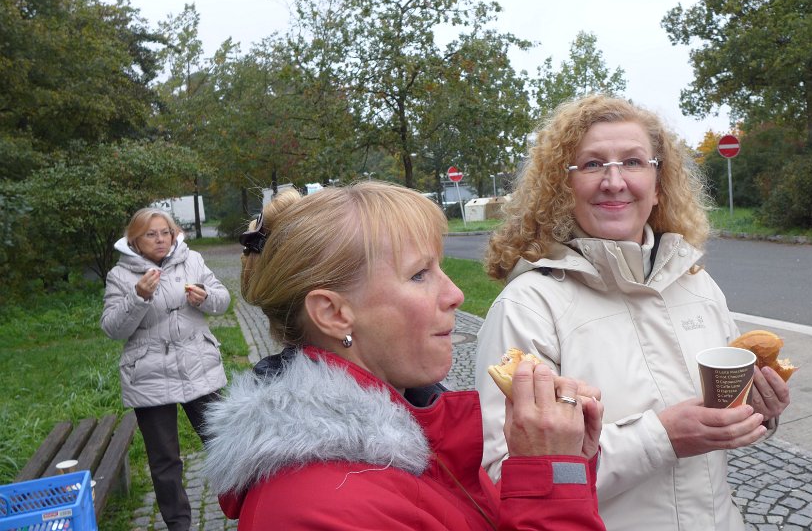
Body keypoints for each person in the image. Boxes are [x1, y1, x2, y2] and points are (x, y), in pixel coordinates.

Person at [201, 182, 607, 530]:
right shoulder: (317, 507)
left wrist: (561, 462)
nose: (455, 294)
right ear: (333, 313)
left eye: (439, 268)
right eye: (419, 274)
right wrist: (550, 472)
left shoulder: (416, 425)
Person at [474, 94, 791, 530]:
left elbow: (722, 414)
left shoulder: (697, 285)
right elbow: (505, 478)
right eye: (592, 164)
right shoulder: (529, 306)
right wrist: (662, 438)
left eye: (633, 162)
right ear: (562, 187)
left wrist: (758, 409)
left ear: (659, 184)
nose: (614, 181)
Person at [100, 207, 230, 531]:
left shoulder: (192, 260)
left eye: (165, 233)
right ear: (135, 240)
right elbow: (112, 328)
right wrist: (138, 297)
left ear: (173, 235)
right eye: (151, 234)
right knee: (164, 461)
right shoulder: (120, 276)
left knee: (225, 443)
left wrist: (205, 298)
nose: (160, 239)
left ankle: (246, 504)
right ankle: (178, 524)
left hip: (198, 365)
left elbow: (223, 299)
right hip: (150, 375)